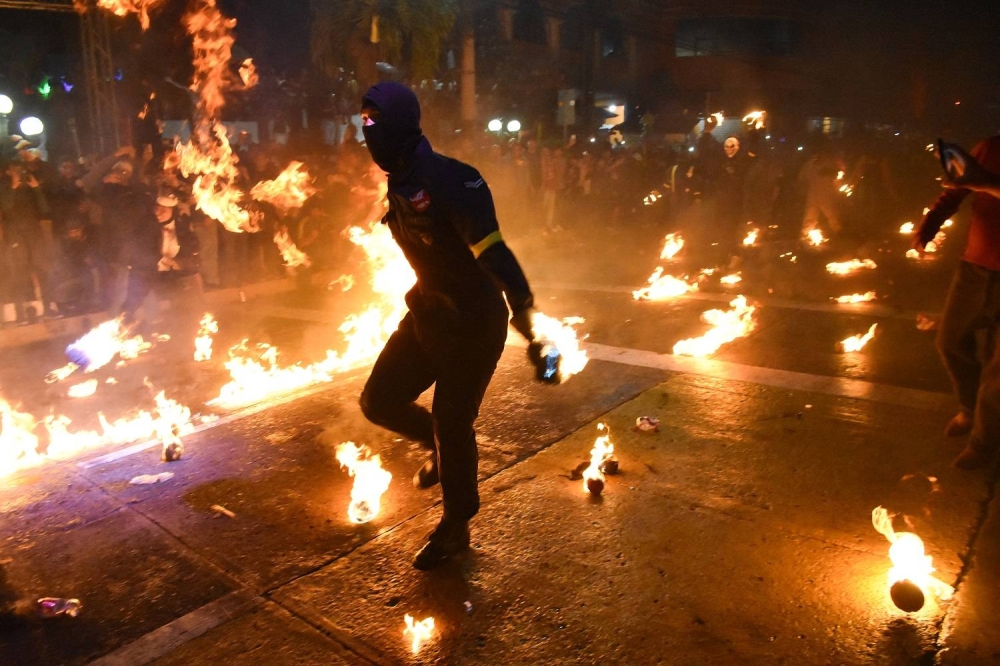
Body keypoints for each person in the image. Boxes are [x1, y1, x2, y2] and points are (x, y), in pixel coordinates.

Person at [356, 82, 548, 570]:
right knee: (378, 401)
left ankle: (456, 527)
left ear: (402, 126)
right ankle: (436, 450)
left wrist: (529, 321)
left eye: (376, 123)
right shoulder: (398, 179)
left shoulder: (453, 180)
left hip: (474, 325)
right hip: (427, 313)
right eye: (364, 124)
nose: (368, 134)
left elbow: (494, 253)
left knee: (452, 421)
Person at [914, 135, 1000, 469]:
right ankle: (968, 407)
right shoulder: (991, 147)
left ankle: (982, 443)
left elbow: (977, 181)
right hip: (976, 267)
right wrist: (930, 223)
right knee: (949, 342)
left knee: (997, 371)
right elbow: (957, 188)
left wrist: (987, 182)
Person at [121, 191, 203, 330]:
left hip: (171, 275)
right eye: (157, 209)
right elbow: (139, 251)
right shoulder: (146, 226)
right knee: (132, 301)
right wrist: (161, 258)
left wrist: (177, 263)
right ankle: (122, 326)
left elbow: (194, 255)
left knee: (186, 296)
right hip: (147, 272)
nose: (158, 213)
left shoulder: (182, 229)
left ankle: (184, 329)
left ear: (173, 212)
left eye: (163, 211)